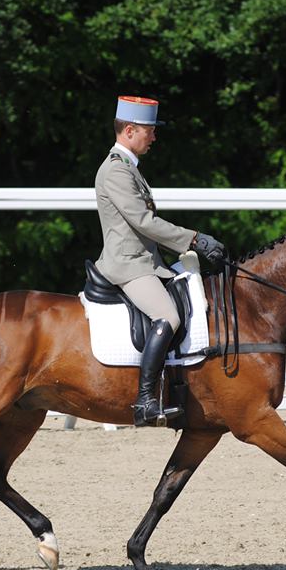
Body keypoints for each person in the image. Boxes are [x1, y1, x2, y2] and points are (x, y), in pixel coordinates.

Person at [94, 95, 225, 427]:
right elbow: (143, 222)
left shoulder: (129, 169)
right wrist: (193, 239)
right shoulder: (115, 171)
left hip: (146, 261)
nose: (153, 137)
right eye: (149, 131)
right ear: (130, 130)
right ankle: (145, 402)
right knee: (167, 315)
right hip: (128, 265)